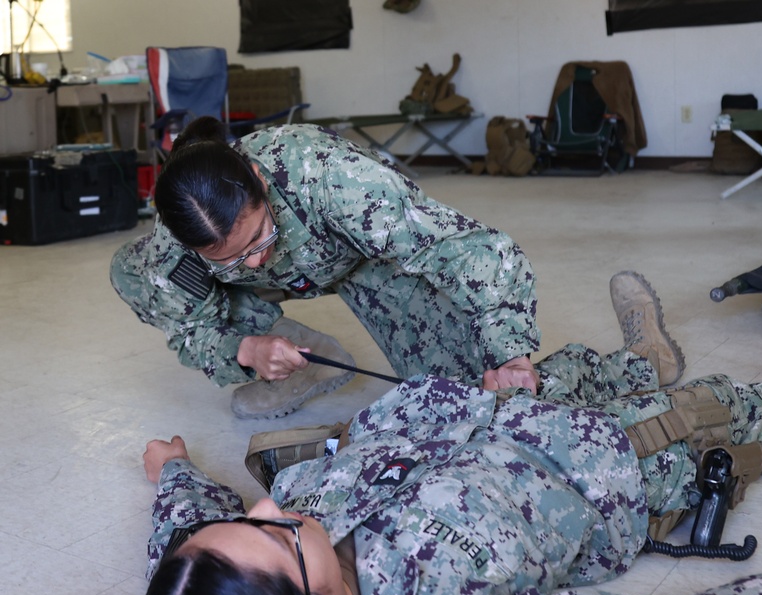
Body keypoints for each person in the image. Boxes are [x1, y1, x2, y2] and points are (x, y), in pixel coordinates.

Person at [136, 274, 762, 595]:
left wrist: (175, 473)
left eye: (244, 516)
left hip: (481, 414)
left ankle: (640, 360)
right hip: (612, 464)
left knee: (569, 366)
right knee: (721, 412)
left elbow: (186, 540)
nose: (270, 502)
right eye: (275, 535)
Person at [110, 117, 546, 420]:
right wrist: (246, 350)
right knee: (130, 270)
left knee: (464, 397)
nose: (258, 259)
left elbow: (465, 250)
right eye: (232, 258)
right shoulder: (175, 245)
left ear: (261, 183)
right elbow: (192, 330)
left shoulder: (332, 178)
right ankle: (302, 356)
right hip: (266, 291)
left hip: (365, 262)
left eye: (260, 236)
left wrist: (508, 351)